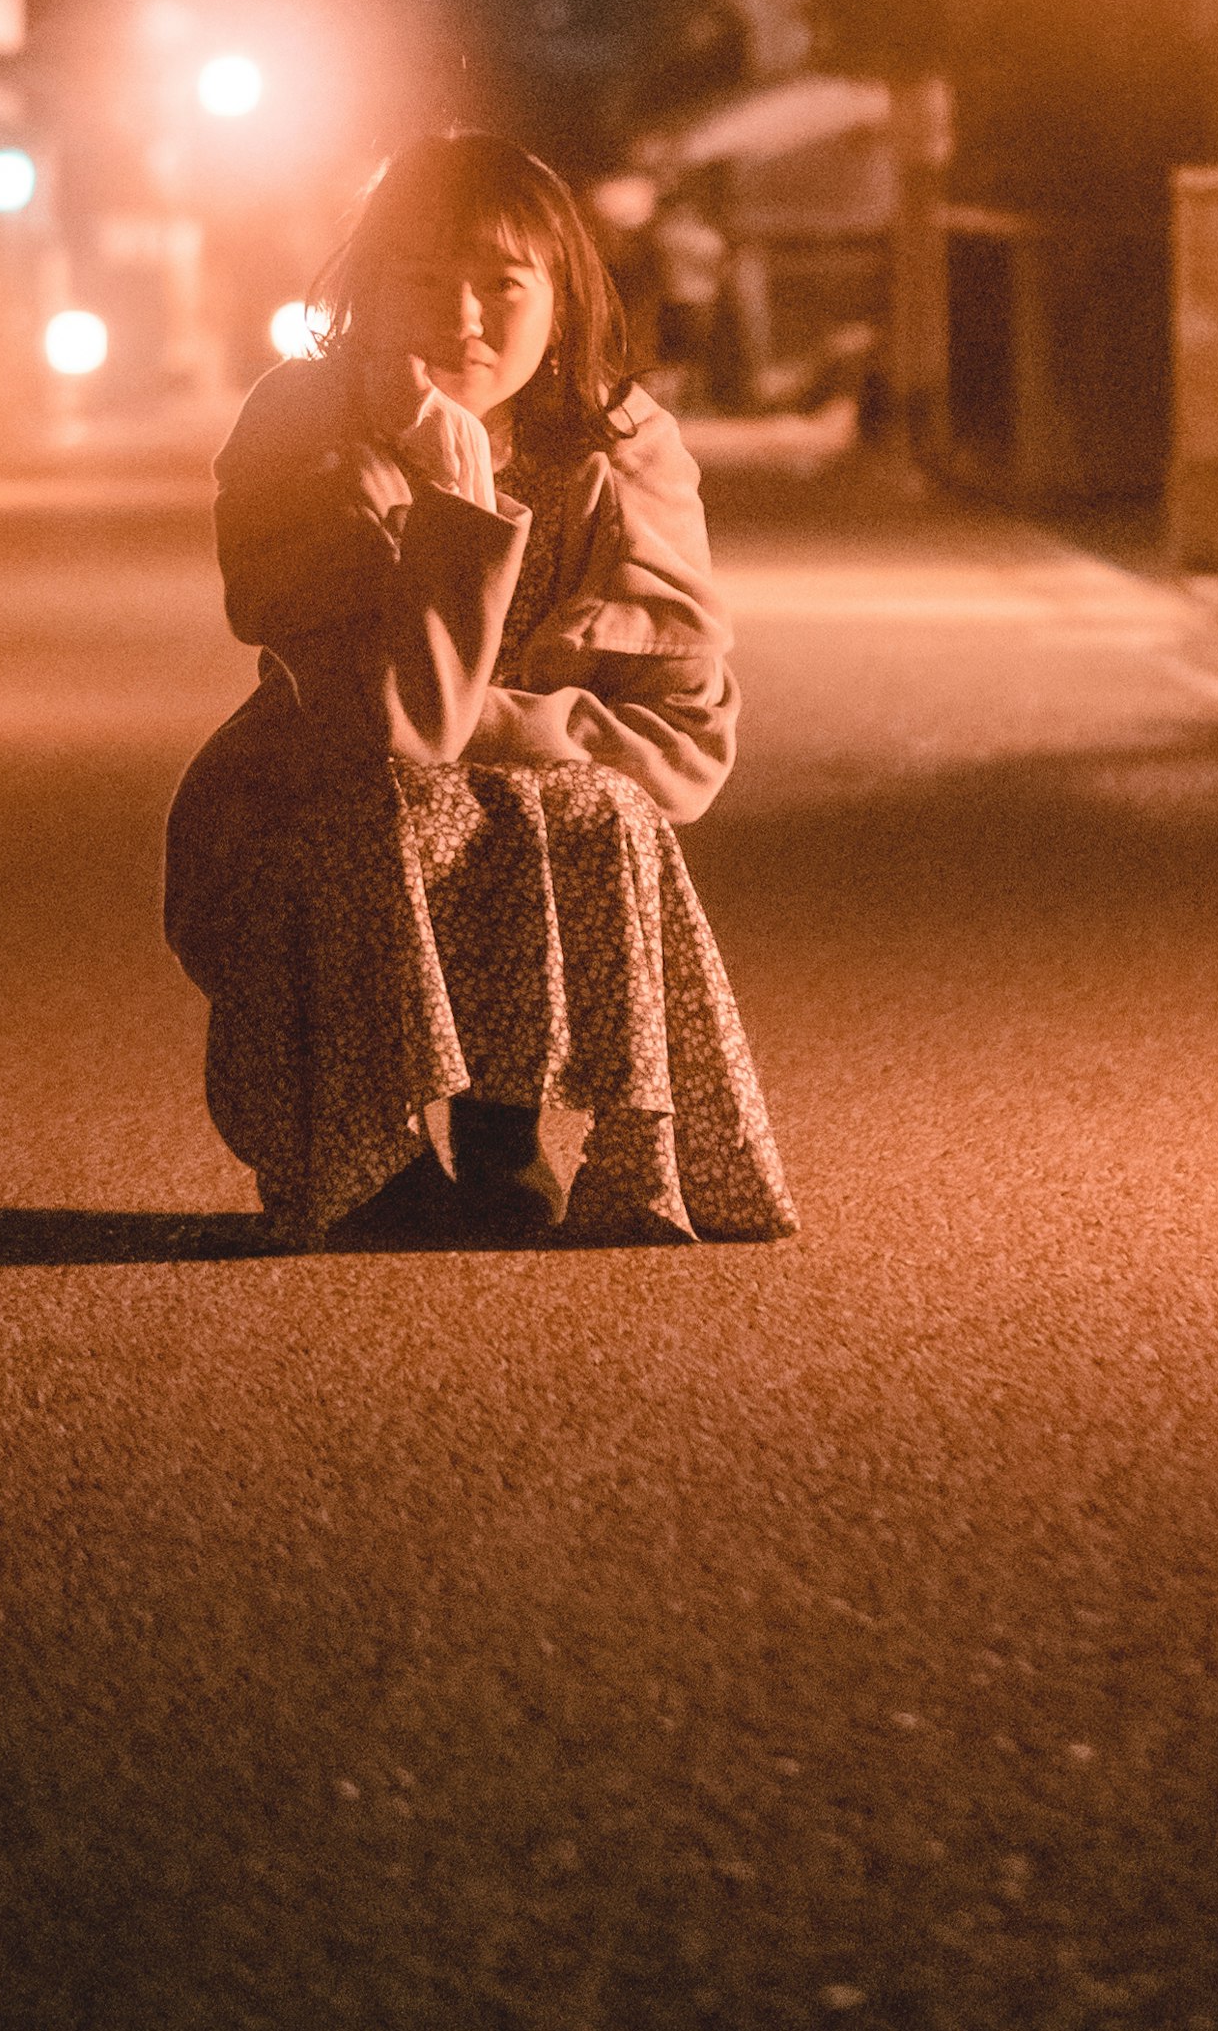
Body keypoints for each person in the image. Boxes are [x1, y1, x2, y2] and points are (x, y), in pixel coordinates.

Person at [165, 132, 797, 1251]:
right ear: (368, 295)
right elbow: (397, 728)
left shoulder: (624, 444)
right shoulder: (301, 428)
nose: (461, 316)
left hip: (519, 803)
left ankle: (502, 1122)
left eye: (502, 284)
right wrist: (457, 513)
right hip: (304, 805)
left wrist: (502, 738)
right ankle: (372, 1143)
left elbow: (687, 750)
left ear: (561, 301)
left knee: (597, 810)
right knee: (399, 804)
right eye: (422, 281)